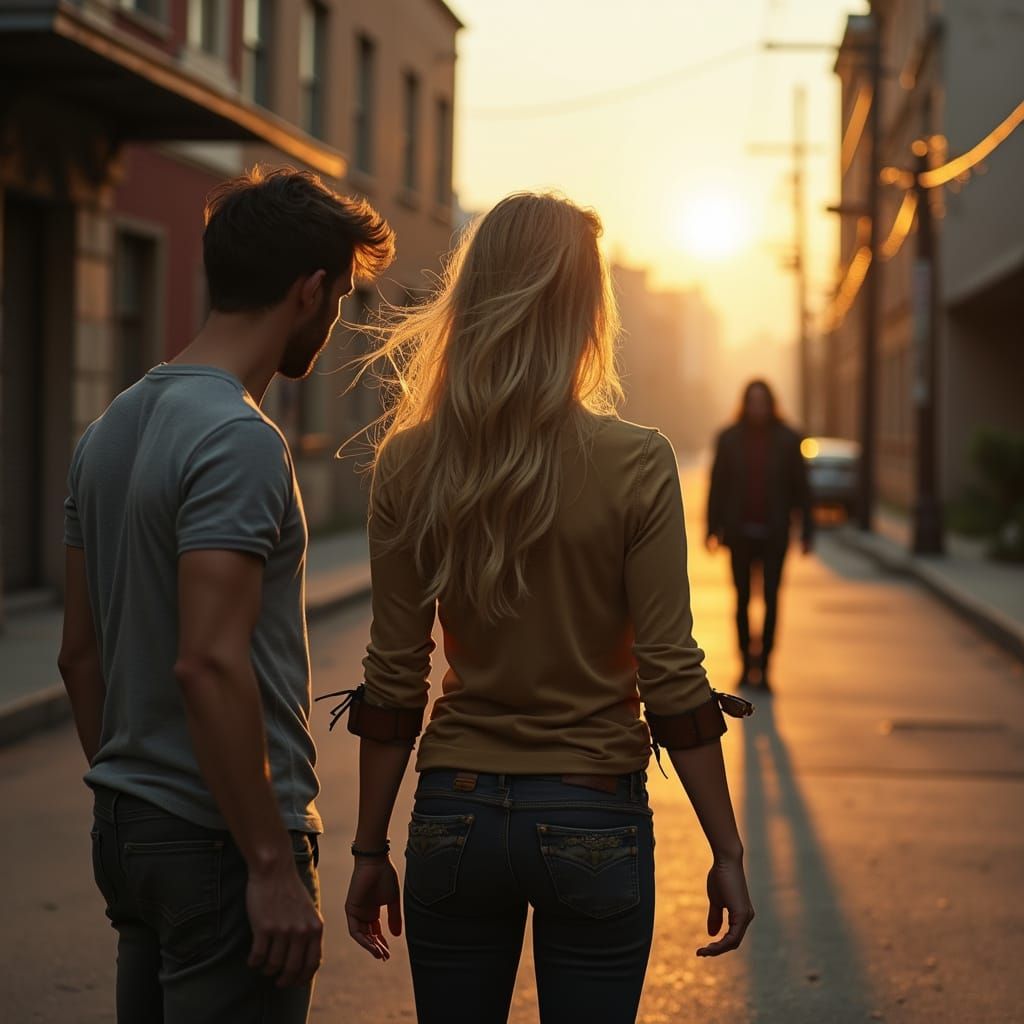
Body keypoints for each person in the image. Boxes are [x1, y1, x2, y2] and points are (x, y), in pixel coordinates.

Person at [331, 193, 753, 1024]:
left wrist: (369, 848)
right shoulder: (637, 462)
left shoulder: (412, 460)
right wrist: (727, 850)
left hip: (453, 815)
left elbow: (392, 679)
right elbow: (671, 676)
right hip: (591, 808)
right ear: (586, 310)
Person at [58, 167, 394, 1023]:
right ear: (309, 291)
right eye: (342, 298)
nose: (334, 322)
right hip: (223, 843)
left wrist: (132, 789)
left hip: (134, 828)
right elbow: (208, 661)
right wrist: (272, 865)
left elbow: (78, 653)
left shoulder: (107, 432)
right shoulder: (239, 439)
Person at [706, 379, 814, 692]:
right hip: (739, 533)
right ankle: (744, 665)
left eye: (762, 401)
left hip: (775, 534)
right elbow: (718, 485)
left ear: (771, 404)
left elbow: (801, 489)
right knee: (740, 600)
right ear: (745, 403)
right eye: (752, 401)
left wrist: (807, 531)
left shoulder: (787, 439)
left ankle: (765, 667)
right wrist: (712, 528)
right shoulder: (728, 439)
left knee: (770, 600)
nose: (757, 407)